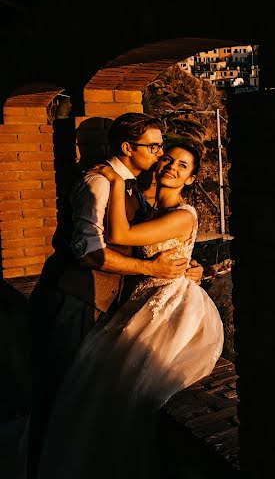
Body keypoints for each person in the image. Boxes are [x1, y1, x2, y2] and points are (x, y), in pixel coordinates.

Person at [37, 140, 224, 479]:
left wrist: (115, 179)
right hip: (140, 299)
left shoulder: (182, 215)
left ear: (193, 178)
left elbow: (119, 233)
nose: (171, 167)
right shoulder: (151, 209)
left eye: (183, 166)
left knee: (135, 389)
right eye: (168, 159)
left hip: (168, 304)